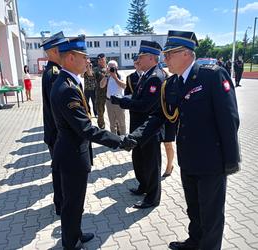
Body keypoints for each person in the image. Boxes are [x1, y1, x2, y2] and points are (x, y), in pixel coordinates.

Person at [127, 30, 240, 250]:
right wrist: (134, 138)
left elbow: (230, 119)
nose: (165, 58)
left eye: (169, 54)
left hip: (211, 161)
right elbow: (161, 115)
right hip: (188, 160)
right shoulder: (174, 83)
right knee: (194, 209)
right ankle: (194, 242)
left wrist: (231, 160)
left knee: (211, 215)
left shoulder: (212, 75)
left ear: (187, 54)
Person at [50, 35, 135, 250]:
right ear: (70, 58)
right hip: (71, 157)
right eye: (84, 57)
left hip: (72, 152)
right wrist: (119, 141)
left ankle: (75, 234)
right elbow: (86, 129)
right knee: (72, 204)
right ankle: (71, 243)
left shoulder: (68, 82)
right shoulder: (67, 87)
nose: (88, 61)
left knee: (76, 202)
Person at [111, 40, 165, 209]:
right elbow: (137, 98)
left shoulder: (156, 77)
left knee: (151, 164)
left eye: (141, 57)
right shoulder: (145, 75)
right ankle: (143, 186)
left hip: (149, 130)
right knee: (139, 161)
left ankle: (152, 197)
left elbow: (145, 105)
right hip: (139, 130)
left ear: (150, 57)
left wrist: (122, 102)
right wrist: (125, 99)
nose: (138, 60)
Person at [39, 31, 65, 216]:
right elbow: (58, 110)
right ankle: (62, 205)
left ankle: (60, 203)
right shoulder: (55, 74)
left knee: (59, 169)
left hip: (53, 132)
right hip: (57, 134)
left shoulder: (51, 71)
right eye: (63, 48)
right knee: (61, 172)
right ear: (55, 51)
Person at [100, 60, 126, 135]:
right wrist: (106, 76)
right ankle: (114, 140)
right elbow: (101, 86)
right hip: (109, 102)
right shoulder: (107, 75)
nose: (111, 68)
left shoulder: (121, 74)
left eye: (113, 67)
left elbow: (124, 86)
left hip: (119, 102)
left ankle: (123, 139)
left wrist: (115, 77)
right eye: (109, 67)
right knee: (112, 123)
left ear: (117, 67)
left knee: (121, 123)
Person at [94, 53, 107, 129]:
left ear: (105, 59)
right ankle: (101, 127)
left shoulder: (111, 68)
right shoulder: (96, 70)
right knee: (100, 112)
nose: (101, 61)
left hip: (109, 94)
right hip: (100, 95)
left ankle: (117, 128)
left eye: (102, 59)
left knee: (113, 112)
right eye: (99, 60)